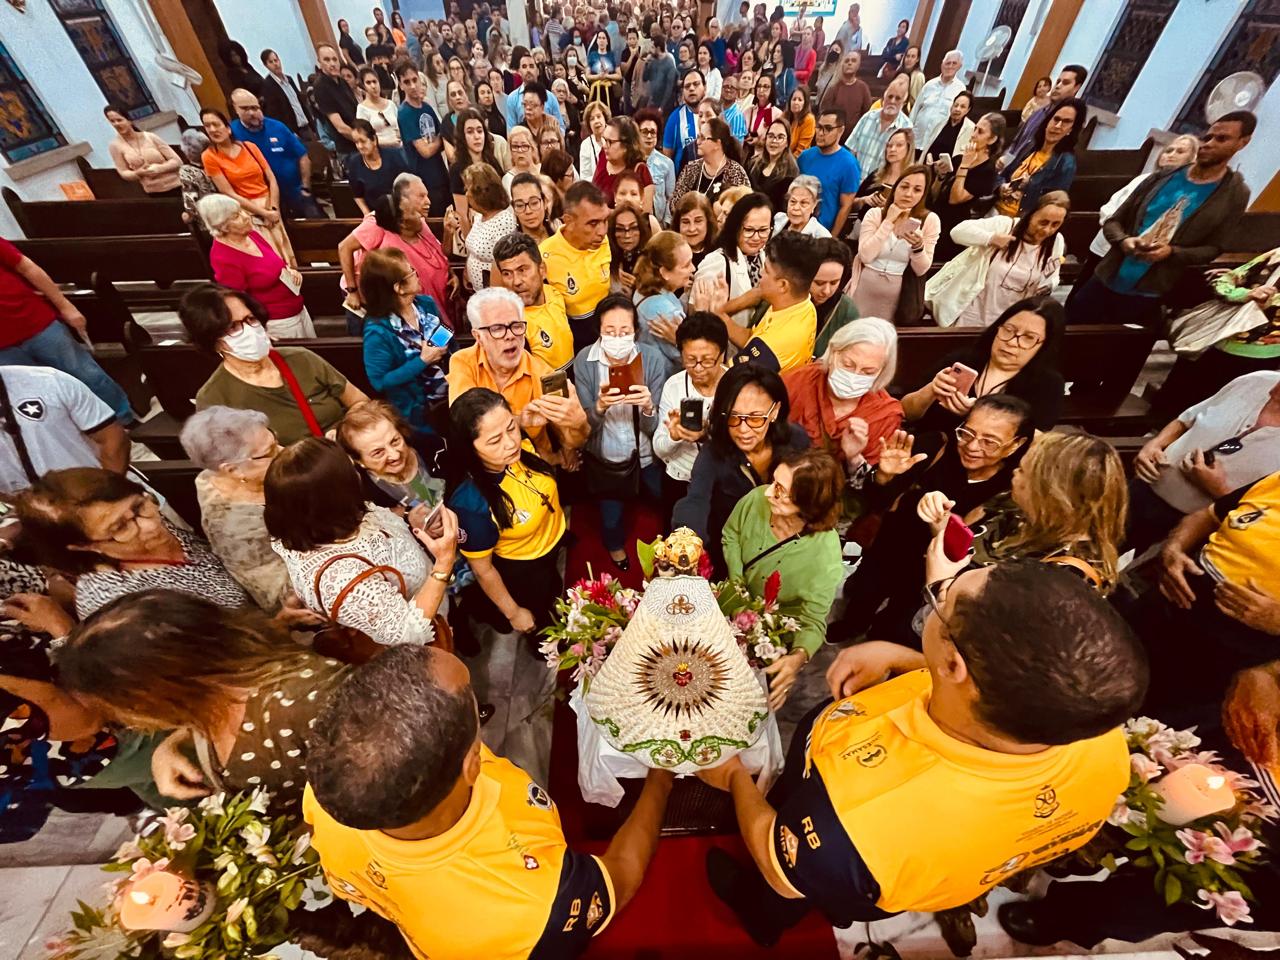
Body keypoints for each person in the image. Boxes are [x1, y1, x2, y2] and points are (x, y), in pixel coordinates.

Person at [703, 560, 1145, 948]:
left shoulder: (856, 827)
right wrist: (911, 661)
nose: (937, 598)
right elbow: (1002, 698)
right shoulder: (1100, 745)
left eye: (942, 601)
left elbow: (774, 852)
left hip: (842, 848)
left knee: (782, 890)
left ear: (955, 665)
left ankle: (762, 918)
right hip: (908, 861)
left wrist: (734, 777)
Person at [304, 645, 675, 959]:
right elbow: (622, 873)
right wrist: (663, 774)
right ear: (471, 765)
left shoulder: (331, 789)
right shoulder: (534, 906)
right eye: (474, 705)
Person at [56, 590, 342, 811]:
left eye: (119, 709)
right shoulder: (219, 696)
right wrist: (168, 745)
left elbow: (375, 791)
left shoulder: (307, 700)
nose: (127, 723)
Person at [1067, 112, 1254, 332]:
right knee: (1069, 330)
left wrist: (1171, 252)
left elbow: (1214, 248)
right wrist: (1124, 241)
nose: (1209, 144)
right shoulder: (1163, 177)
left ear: (1243, 142)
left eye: (1221, 139)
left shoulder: (1234, 194)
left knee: (1109, 350)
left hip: (1149, 289)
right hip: (1107, 275)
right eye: (1207, 137)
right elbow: (1114, 221)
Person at [266, 437, 456, 648]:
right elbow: (407, 632)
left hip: (433, 598)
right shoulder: (343, 579)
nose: (357, 473)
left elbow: (377, 526)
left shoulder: (319, 522)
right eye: (348, 471)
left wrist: (409, 520)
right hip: (425, 637)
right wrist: (444, 563)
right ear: (333, 497)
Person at [9, 468, 251, 626]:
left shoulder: (145, 519)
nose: (150, 526)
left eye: (139, 506)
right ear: (84, 546)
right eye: (119, 528)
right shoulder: (118, 605)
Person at [1132, 469, 1280, 722]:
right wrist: (1174, 548)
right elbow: (1207, 515)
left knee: (1148, 727)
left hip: (1233, 650)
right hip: (1165, 604)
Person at [723, 449, 844, 706]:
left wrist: (797, 657)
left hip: (769, 634)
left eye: (780, 490)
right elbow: (731, 534)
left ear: (808, 504)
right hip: (729, 610)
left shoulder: (825, 554)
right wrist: (736, 586)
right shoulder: (757, 499)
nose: (768, 492)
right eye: (773, 481)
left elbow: (812, 619)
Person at [447, 387, 570, 634]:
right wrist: (514, 613)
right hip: (522, 570)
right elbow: (484, 570)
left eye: (511, 428)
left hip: (550, 546)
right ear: (469, 447)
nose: (511, 442)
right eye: (494, 440)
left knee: (554, 590)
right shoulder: (472, 505)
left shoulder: (520, 448)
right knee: (540, 622)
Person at [181, 283, 367, 444]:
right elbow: (234, 460)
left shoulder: (301, 358)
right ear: (211, 340)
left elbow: (359, 402)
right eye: (233, 327)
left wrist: (346, 430)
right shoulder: (214, 398)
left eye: (250, 319)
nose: (249, 330)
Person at [675, 360, 809, 574]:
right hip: (728, 553)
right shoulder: (713, 453)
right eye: (733, 416)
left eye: (755, 418)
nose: (743, 430)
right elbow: (695, 502)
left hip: (779, 550)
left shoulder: (797, 440)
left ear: (775, 412)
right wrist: (686, 544)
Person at [1129, 372, 1280, 554]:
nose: (1272, 390)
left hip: (1189, 531)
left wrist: (1219, 490)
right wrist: (1155, 444)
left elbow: (1264, 522)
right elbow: (1185, 421)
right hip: (1143, 491)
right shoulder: (1255, 381)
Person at [572, 295, 668, 569]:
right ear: (598, 332)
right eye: (609, 332)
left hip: (645, 453)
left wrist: (648, 406)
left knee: (662, 498)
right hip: (607, 457)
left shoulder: (651, 359)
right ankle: (615, 548)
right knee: (610, 516)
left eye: (624, 332)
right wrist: (600, 407)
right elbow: (584, 427)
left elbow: (658, 424)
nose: (617, 338)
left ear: (636, 331)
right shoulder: (585, 362)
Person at [446, 287, 589, 461]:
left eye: (516, 326)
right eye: (497, 329)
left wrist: (579, 423)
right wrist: (519, 421)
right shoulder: (462, 361)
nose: (510, 336)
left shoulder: (546, 376)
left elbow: (572, 444)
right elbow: (464, 425)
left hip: (534, 466)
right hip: (486, 466)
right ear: (478, 336)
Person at [178, 405, 295, 612]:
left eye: (274, 440)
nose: (284, 451)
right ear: (232, 469)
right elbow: (275, 590)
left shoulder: (210, 474)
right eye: (269, 452)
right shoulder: (235, 525)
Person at [0, 241, 132, 423]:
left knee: (87, 375)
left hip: (37, 323)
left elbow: (27, 267)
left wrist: (64, 305)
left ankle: (124, 419)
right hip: (3, 348)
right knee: (35, 395)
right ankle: (82, 430)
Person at [902, 296, 1066, 433]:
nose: (1012, 342)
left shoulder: (1047, 384)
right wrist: (931, 390)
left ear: (1045, 345)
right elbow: (906, 412)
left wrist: (976, 414)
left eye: (1028, 338)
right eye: (1008, 329)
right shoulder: (963, 360)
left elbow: (1036, 440)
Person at [1153, 246, 1280, 421]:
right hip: (1220, 338)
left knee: (1223, 409)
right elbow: (1223, 281)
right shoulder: (1276, 254)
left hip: (1264, 354)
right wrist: (1245, 293)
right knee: (1180, 398)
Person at [1072, 134, 1200, 303]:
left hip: (1138, 258)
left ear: (1192, 159)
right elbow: (1110, 209)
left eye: (1180, 151)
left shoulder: (1187, 194)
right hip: (1105, 247)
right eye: (1169, 150)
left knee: (1106, 300)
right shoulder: (1143, 180)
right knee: (1080, 294)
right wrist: (1120, 237)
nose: (1171, 154)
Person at [783, 317, 902, 482]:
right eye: (848, 364)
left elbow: (870, 491)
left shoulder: (884, 414)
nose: (854, 376)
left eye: (868, 372)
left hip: (837, 499)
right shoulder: (798, 382)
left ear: (881, 372)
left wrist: (853, 458)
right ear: (833, 353)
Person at [930, 190, 1069, 329]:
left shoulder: (1056, 241)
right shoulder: (1005, 225)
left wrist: (1048, 284)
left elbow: (1052, 276)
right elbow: (957, 232)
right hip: (972, 311)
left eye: (1055, 224)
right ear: (1031, 215)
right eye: (1043, 222)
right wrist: (990, 238)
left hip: (1010, 318)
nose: (1047, 230)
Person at [339, 173, 454, 333]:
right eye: (421, 196)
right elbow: (344, 247)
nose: (428, 202)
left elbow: (438, 254)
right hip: (379, 302)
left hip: (430, 307)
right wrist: (352, 291)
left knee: (441, 339)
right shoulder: (379, 222)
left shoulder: (417, 219)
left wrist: (450, 273)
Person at [197, 194, 313, 341]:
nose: (246, 217)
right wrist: (258, 331)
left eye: (242, 211)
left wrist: (289, 270)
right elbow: (236, 300)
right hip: (276, 321)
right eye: (236, 216)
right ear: (222, 226)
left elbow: (276, 262)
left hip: (297, 308)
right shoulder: (223, 257)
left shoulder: (251, 234)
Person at [359, 248, 449, 434]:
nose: (417, 274)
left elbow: (445, 333)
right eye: (411, 272)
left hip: (450, 395)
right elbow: (380, 382)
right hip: (418, 414)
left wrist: (446, 348)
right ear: (398, 288)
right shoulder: (378, 331)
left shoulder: (425, 303)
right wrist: (422, 361)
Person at [0, 365, 127, 494]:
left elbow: (111, 436)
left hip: (95, 491)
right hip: (20, 507)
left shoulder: (48, 381)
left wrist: (108, 494)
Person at [653, 311, 729, 514]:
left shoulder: (736, 386)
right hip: (680, 478)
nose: (698, 368)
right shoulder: (674, 386)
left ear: (722, 354)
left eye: (707, 360)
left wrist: (707, 435)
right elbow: (659, 450)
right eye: (690, 360)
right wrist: (673, 436)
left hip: (722, 481)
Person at [849, 165, 938, 324]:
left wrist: (918, 248)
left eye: (917, 190)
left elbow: (922, 269)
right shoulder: (875, 214)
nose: (908, 194)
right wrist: (888, 222)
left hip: (897, 297)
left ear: (923, 194)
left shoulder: (930, 220)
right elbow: (866, 255)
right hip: (864, 289)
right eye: (904, 187)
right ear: (895, 187)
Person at [200, 108, 291, 261]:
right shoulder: (209, 157)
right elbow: (228, 192)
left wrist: (274, 208)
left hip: (269, 204)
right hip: (247, 211)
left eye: (216, 124)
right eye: (207, 126)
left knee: (285, 251)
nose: (212, 129)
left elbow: (271, 178)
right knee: (270, 255)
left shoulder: (250, 147)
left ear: (228, 128)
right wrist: (264, 214)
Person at [336, 399, 446, 513]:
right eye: (378, 453)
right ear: (359, 461)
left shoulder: (436, 448)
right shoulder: (364, 494)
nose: (395, 455)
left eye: (395, 441)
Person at [228, 88, 321, 219]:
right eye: (245, 108)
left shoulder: (277, 127)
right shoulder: (232, 133)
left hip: (295, 192)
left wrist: (305, 187)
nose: (252, 113)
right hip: (262, 200)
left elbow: (303, 157)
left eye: (255, 108)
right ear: (235, 109)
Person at [540, 181, 613, 346]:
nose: (602, 231)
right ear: (569, 221)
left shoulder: (603, 241)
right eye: (593, 223)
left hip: (607, 340)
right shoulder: (545, 257)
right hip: (572, 347)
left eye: (605, 220)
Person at [931, 112, 1006, 262]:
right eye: (975, 129)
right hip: (935, 217)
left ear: (992, 139)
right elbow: (934, 194)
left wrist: (964, 166)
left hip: (952, 228)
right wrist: (940, 176)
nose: (973, 134)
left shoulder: (987, 171)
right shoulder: (959, 158)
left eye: (980, 131)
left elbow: (955, 198)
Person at [493, 232, 573, 371]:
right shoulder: (511, 328)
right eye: (507, 273)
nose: (516, 281)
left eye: (522, 270)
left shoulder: (554, 293)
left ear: (542, 270)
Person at [694, 190, 772, 331]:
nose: (756, 237)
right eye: (749, 230)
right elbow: (696, 317)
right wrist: (742, 302)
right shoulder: (716, 262)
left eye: (763, 230)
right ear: (735, 227)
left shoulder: (765, 258)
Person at [994, 97, 1082, 218]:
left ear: (1071, 130)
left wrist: (1030, 185)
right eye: (1056, 119)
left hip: (1019, 220)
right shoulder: (1031, 146)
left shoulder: (1067, 163)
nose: (1058, 126)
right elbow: (1002, 175)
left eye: (1066, 122)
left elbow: (1055, 203)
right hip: (994, 209)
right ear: (1048, 121)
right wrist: (1001, 187)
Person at [1000, 65, 1088, 170]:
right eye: (1058, 81)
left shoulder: (1071, 125)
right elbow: (1016, 143)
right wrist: (1004, 161)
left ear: (1076, 88)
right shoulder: (1038, 113)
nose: (1058, 86)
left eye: (1065, 83)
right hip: (1007, 174)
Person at [633, 230, 695, 372]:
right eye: (686, 265)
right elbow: (691, 360)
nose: (693, 268)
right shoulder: (664, 312)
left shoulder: (643, 288)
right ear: (664, 273)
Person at [396, 62, 453, 217]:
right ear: (401, 85)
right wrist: (442, 136)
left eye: (415, 80)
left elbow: (441, 136)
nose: (413, 85)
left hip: (440, 173)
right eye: (407, 82)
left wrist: (441, 137)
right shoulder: (405, 113)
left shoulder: (426, 107)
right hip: (425, 178)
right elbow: (425, 151)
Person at [797, 107, 861, 236]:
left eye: (828, 128)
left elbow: (846, 206)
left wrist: (832, 237)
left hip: (824, 231)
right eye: (819, 127)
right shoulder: (805, 156)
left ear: (840, 131)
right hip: (800, 227)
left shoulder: (849, 164)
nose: (821, 133)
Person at [671, 117, 751, 210]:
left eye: (702, 138)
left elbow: (744, 209)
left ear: (717, 143)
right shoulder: (690, 168)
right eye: (698, 137)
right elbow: (674, 204)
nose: (697, 142)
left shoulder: (736, 172)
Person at [462, 164, 518, 291]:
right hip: (477, 291)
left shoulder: (504, 220)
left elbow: (504, 263)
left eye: (468, 189)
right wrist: (467, 270)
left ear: (481, 192)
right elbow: (473, 250)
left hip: (494, 294)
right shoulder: (479, 216)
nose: (466, 194)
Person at [103, 104, 180, 196]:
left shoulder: (150, 137)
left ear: (129, 121)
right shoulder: (115, 146)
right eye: (112, 121)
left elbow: (177, 161)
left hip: (176, 185)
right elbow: (123, 172)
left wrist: (159, 168)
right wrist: (138, 173)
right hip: (154, 192)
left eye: (119, 120)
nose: (116, 124)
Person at [844, 72, 912, 173]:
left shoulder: (907, 127)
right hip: (855, 180)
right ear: (884, 97)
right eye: (890, 96)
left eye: (898, 98)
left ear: (904, 102)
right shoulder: (868, 117)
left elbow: (902, 166)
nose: (892, 101)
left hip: (878, 186)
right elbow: (852, 151)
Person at [346, 118, 412, 215]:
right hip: (374, 215)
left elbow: (408, 186)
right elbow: (358, 195)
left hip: (400, 212)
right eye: (356, 142)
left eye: (363, 141)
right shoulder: (354, 163)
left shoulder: (394, 156)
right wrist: (367, 214)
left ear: (374, 140)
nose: (360, 146)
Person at [848, 127, 914, 221]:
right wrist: (865, 200)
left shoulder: (913, 178)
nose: (892, 149)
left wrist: (890, 206)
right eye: (889, 145)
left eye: (899, 145)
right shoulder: (877, 174)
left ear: (909, 148)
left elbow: (916, 213)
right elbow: (852, 203)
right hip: (862, 224)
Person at [909, 50, 966, 157]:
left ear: (959, 66)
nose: (950, 66)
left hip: (936, 144)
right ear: (942, 65)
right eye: (947, 63)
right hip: (917, 139)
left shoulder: (960, 89)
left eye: (954, 63)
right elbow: (915, 109)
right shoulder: (929, 85)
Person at [811, 238, 860, 354]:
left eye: (834, 283)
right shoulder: (789, 298)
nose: (827, 291)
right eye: (819, 283)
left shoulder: (847, 310)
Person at [314, 42, 360, 158]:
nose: (332, 64)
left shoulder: (342, 82)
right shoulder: (320, 87)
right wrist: (363, 140)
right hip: (348, 149)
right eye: (327, 60)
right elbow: (340, 127)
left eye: (335, 59)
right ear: (320, 63)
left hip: (359, 138)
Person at [505, 48, 568, 129]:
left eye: (531, 66)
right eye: (524, 67)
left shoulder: (550, 97)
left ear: (538, 71)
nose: (528, 70)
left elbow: (560, 127)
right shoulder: (512, 98)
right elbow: (511, 130)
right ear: (519, 72)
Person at [636, 108, 676, 226]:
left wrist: (666, 223)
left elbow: (670, 198)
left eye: (653, 132)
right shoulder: (630, 161)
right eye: (644, 131)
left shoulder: (667, 164)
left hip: (659, 225)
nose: (649, 136)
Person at [748, 118, 799, 211]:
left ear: (787, 142)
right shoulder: (753, 163)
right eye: (771, 136)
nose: (774, 141)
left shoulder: (791, 172)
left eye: (780, 137)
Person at [260, 49, 313, 137]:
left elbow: (299, 102)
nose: (275, 64)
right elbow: (275, 113)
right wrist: (290, 132)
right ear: (266, 65)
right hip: (293, 132)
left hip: (306, 126)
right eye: (271, 62)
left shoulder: (289, 79)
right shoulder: (268, 85)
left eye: (276, 60)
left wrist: (312, 124)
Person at [664, 68, 705, 170]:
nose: (691, 88)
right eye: (687, 86)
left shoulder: (716, 114)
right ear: (683, 92)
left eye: (696, 84)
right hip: (684, 182)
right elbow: (667, 158)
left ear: (705, 87)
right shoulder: (675, 118)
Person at [607, 202, 651, 297]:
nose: (627, 235)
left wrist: (638, 288)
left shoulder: (652, 260)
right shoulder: (604, 260)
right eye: (620, 229)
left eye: (633, 228)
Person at [819, 51, 871, 129]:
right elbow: (824, 110)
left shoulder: (863, 88)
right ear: (842, 64)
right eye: (846, 61)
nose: (849, 63)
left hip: (854, 135)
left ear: (858, 65)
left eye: (853, 61)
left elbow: (867, 114)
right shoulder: (834, 88)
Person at [922, 89, 974, 165]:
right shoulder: (939, 121)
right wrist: (928, 155)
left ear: (968, 110)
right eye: (956, 105)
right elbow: (928, 146)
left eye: (962, 107)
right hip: (929, 165)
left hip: (948, 172)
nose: (957, 109)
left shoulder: (971, 129)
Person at [356, 66, 402, 148]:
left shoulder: (390, 104)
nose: (373, 86)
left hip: (399, 148)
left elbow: (400, 125)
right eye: (368, 83)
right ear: (363, 86)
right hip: (379, 150)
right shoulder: (362, 108)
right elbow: (365, 137)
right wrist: (388, 142)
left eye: (375, 81)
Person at [508, 170, 558, 245]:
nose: (528, 211)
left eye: (534, 203)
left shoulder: (561, 235)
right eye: (520, 205)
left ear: (544, 202)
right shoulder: (511, 248)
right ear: (513, 208)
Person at [502, 124, 541, 193]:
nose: (520, 150)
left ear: (532, 148)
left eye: (524, 145)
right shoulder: (508, 179)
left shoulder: (543, 170)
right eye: (515, 146)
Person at [578, 100, 609, 181]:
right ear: (589, 125)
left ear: (605, 118)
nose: (596, 121)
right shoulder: (586, 145)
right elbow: (584, 177)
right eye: (592, 119)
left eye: (599, 116)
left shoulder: (615, 137)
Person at [783, 88, 814, 156]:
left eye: (800, 100)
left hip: (797, 161)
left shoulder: (809, 120)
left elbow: (801, 150)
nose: (796, 102)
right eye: (794, 99)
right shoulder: (785, 115)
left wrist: (785, 163)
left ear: (805, 103)